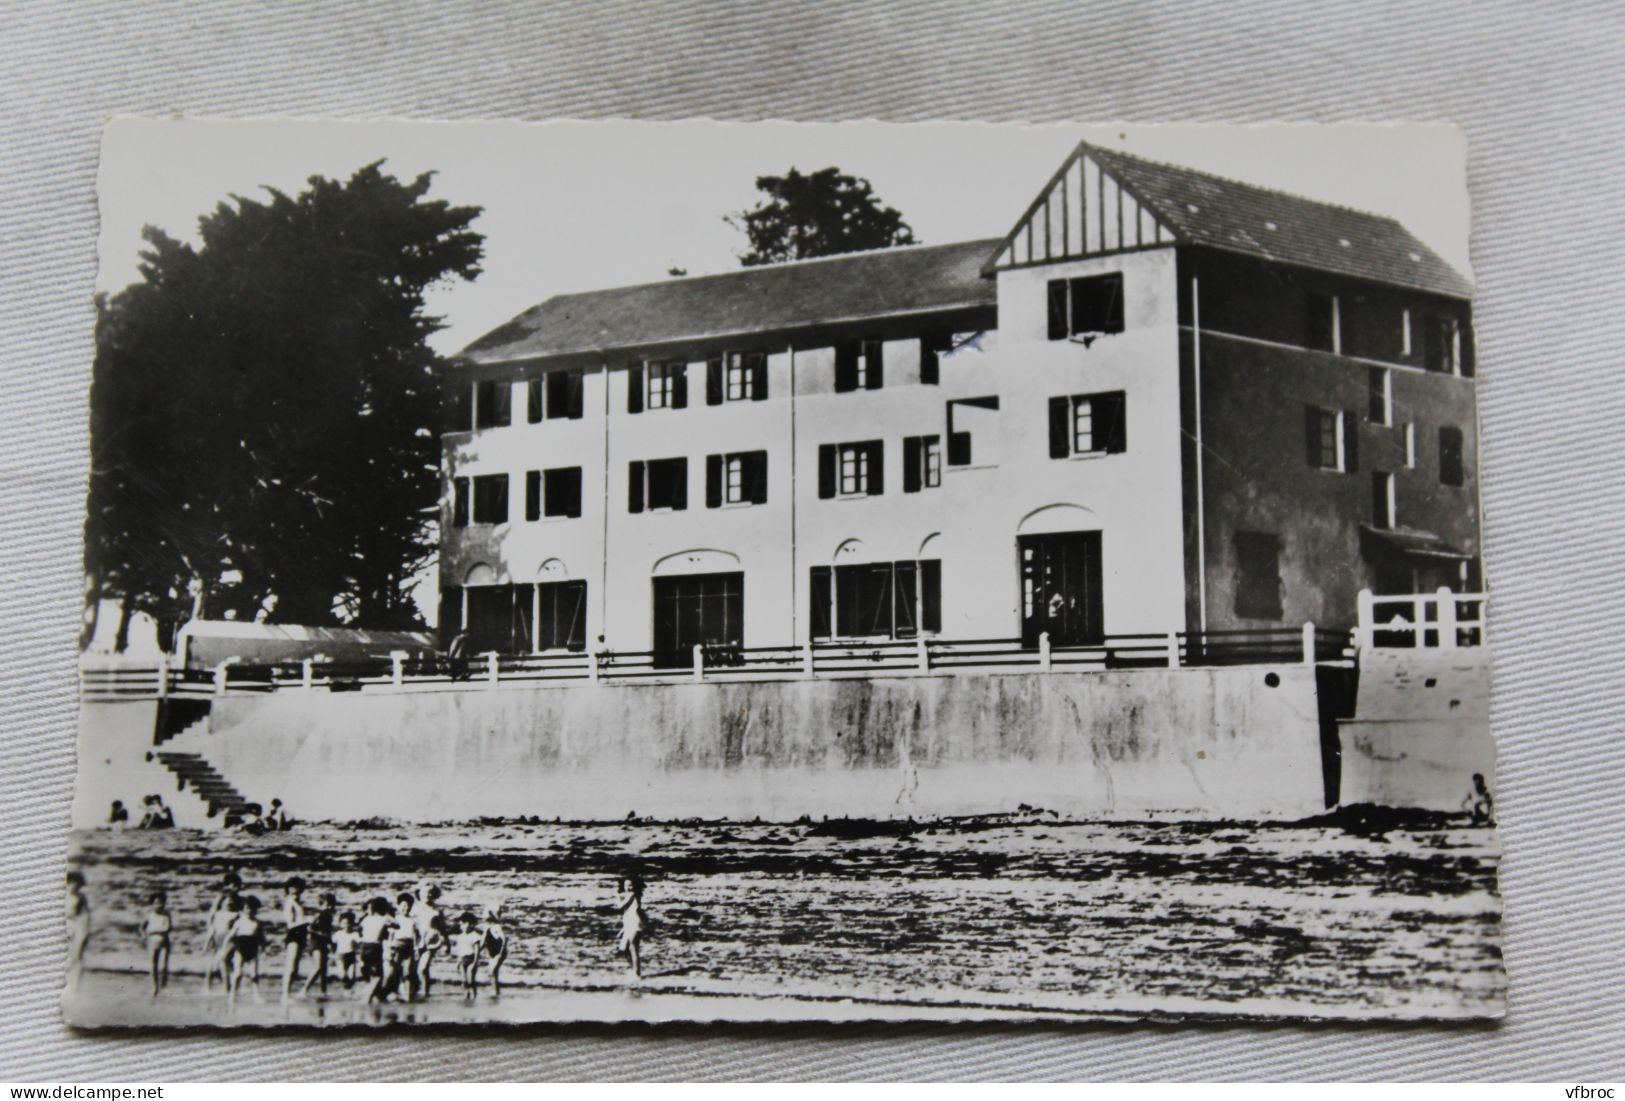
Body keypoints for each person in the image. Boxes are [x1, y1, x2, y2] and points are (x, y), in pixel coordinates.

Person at [202, 874, 242, 989]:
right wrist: (210, 931)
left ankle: (228, 986)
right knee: (214, 961)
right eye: (233, 886)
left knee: (225, 960)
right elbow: (212, 915)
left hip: (228, 934)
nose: (235, 888)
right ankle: (208, 986)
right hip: (217, 931)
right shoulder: (220, 897)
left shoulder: (237, 899)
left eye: (237, 886)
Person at [227, 895, 266, 994]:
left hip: (252, 948)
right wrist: (225, 946)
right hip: (240, 948)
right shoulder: (240, 922)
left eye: (251, 909)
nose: (248, 911)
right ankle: (232, 995)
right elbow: (231, 935)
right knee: (238, 973)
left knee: (254, 973)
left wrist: (263, 949)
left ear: (255, 910)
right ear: (243, 909)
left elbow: (262, 938)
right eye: (246, 909)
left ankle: (256, 995)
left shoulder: (257, 923)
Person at [301, 892, 338, 996]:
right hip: (316, 942)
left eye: (332, 904)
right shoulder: (320, 914)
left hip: (323, 942)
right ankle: (304, 990)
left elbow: (328, 931)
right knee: (318, 967)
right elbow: (309, 928)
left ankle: (323, 992)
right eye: (328, 904)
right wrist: (323, 935)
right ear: (322, 903)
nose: (331, 906)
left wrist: (331, 943)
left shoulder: (328, 915)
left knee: (323, 969)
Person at [414, 884, 447, 997]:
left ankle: (424, 993)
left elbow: (443, 928)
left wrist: (446, 944)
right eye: (424, 892)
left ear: (434, 894)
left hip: (432, 942)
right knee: (417, 968)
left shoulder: (437, 910)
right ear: (419, 894)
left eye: (429, 893)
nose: (427, 895)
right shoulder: (415, 908)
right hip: (416, 940)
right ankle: (422, 990)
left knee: (422, 968)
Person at [358, 897, 394, 1001]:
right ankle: (367, 998)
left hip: (364, 946)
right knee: (378, 975)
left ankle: (378, 997)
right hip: (375, 946)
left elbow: (360, 928)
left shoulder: (366, 919)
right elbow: (397, 925)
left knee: (370, 972)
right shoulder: (384, 918)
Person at [280, 877, 310, 1000]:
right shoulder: (289, 902)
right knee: (291, 965)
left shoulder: (297, 902)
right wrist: (307, 921)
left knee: (295, 967)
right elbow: (290, 924)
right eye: (292, 888)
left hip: (300, 934)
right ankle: (285, 995)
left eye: (297, 888)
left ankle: (287, 993)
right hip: (294, 933)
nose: (295, 890)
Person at [140, 891, 172, 995]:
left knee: (163, 965)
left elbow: (168, 928)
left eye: (161, 903)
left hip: (164, 942)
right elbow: (141, 928)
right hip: (152, 942)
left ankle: (163, 986)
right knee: (153, 965)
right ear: (152, 904)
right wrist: (144, 935)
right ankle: (155, 987)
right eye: (156, 903)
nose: (159, 905)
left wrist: (152, 931)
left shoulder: (166, 914)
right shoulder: (149, 915)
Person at [615, 875, 647, 979]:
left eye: (630, 885)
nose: (628, 887)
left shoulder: (632, 894)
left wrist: (617, 896)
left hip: (635, 924)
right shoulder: (631, 895)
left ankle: (637, 974)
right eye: (626, 885)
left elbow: (620, 906)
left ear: (635, 886)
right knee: (623, 949)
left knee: (633, 948)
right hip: (629, 924)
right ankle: (634, 969)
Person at [65, 871, 90, 992]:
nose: (74, 886)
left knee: (76, 955)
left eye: (77, 884)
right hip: (64, 925)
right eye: (71, 883)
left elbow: (84, 915)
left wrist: (84, 931)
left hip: (76, 925)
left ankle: (75, 986)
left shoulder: (81, 898)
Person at [449, 911, 482, 999]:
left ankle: (474, 996)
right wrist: (457, 963)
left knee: (471, 980)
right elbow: (460, 951)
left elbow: (477, 951)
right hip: (463, 959)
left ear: (472, 924)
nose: (463, 925)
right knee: (464, 981)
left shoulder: (475, 936)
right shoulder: (460, 936)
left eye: (465, 923)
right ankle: (466, 995)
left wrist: (475, 963)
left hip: (471, 959)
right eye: (461, 924)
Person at [480, 907, 507, 995]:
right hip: (491, 952)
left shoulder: (496, 927)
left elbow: (504, 939)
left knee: (493, 971)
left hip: (498, 952)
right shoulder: (487, 927)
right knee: (492, 973)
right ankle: (495, 991)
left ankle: (496, 991)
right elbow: (483, 942)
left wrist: (501, 952)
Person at [330, 911, 361, 989]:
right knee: (343, 975)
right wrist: (333, 954)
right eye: (344, 923)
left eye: (349, 923)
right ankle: (344, 988)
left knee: (352, 976)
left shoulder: (355, 934)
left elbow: (359, 944)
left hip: (351, 955)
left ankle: (349, 990)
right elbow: (332, 943)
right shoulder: (338, 934)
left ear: (353, 924)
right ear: (340, 924)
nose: (347, 925)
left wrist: (356, 946)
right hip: (340, 956)